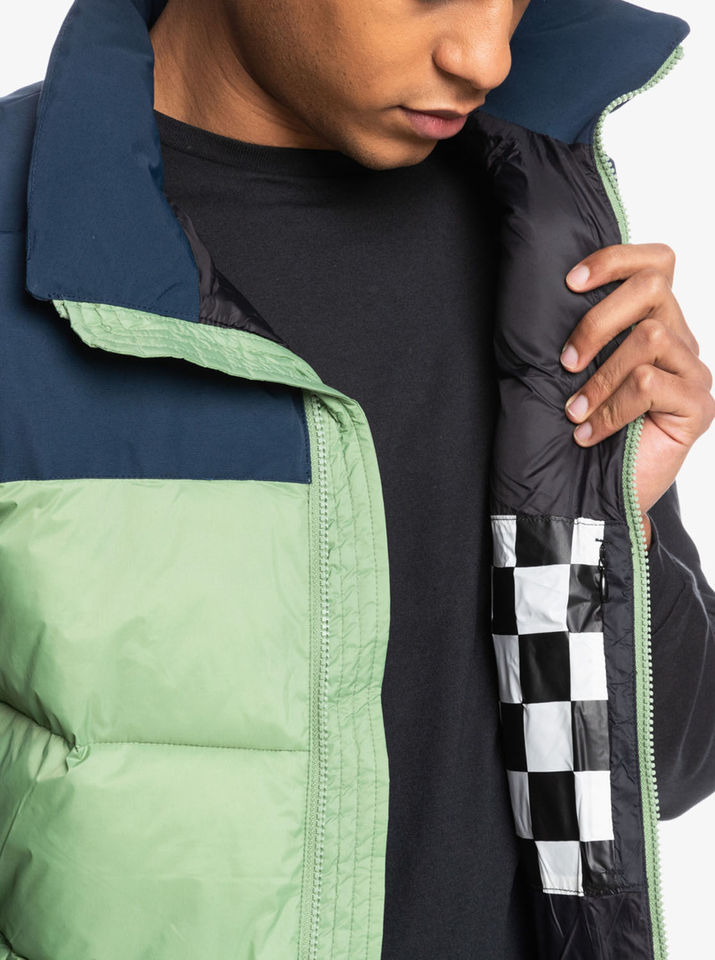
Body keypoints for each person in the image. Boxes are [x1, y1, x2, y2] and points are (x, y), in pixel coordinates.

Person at [0, 0, 713, 958]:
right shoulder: (28, 238)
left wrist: (620, 519)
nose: (486, 56)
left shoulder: (539, 246)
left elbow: (669, 769)